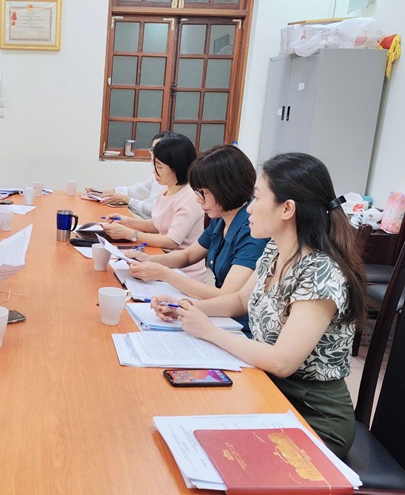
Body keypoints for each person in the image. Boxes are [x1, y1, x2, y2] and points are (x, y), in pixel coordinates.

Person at [153, 153, 365, 457]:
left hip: (311, 414)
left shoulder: (320, 273)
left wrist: (210, 331)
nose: (250, 207)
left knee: (203, 447)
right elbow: (241, 300)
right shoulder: (275, 251)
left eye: (257, 197)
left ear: (287, 208)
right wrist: (185, 307)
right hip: (267, 387)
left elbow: (282, 362)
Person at [127, 145, 269, 329]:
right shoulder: (221, 218)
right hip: (217, 313)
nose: (198, 199)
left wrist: (164, 273)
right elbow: (188, 255)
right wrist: (148, 260)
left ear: (226, 188)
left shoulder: (252, 230)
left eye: (203, 192)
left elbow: (228, 295)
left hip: (237, 324)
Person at [102, 132, 206, 279]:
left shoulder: (190, 197)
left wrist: (130, 234)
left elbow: (171, 242)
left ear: (177, 167)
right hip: (161, 260)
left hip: (183, 273)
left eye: (160, 167)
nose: (154, 171)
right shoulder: (167, 188)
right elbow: (159, 224)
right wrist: (126, 221)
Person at [85, 131, 173, 218]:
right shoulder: (157, 175)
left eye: (158, 150)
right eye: (152, 150)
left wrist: (126, 200)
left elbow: (155, 212)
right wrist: (103, 193)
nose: (154, 154)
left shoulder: (172, 179)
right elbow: (137, 190)